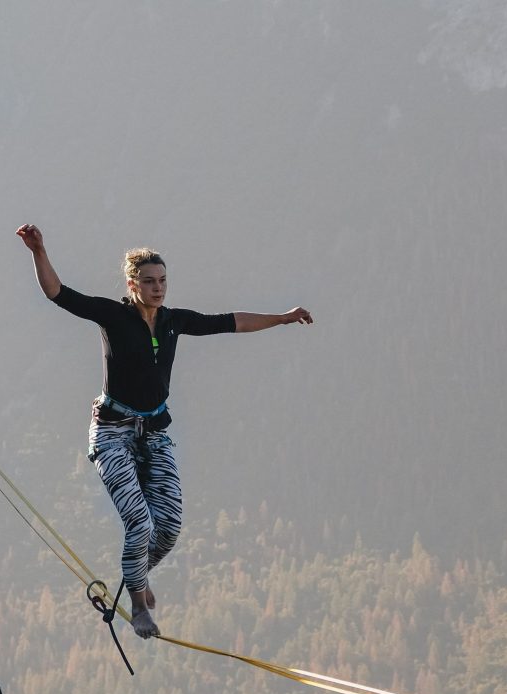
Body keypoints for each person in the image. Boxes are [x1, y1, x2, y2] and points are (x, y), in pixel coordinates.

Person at [16, 224, 313, 639]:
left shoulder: (173, 321)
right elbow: (59, 294)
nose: (158, 288)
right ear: (132, 285)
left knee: (169, 527)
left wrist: (281, 318)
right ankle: (139, 606)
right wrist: (39, 251)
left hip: (154, 431)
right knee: (139, 522)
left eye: (162, 281)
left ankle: (136, 576)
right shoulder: (114, 317)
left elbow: (232, 322)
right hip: (113, 432)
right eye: (149, 282)